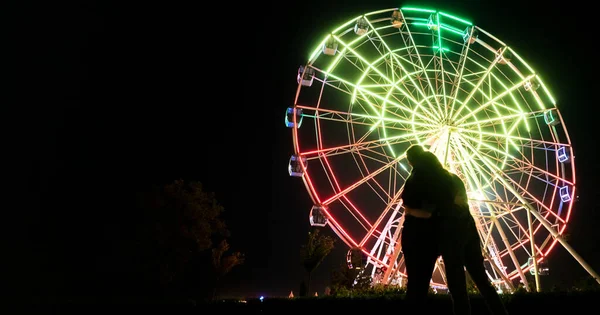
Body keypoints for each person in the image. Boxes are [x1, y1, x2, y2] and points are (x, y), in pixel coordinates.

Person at [436, 167, 510, 315]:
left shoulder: (442, 184)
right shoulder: (456, 181)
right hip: (469, 236)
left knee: (458, 287)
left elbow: (441, 210)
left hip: (454, 240)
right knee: (483, 283)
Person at [400, 145, 455, 308]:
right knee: (423, 280)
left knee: (414, 282)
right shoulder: (445, 177)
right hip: (435, 235)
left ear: (412, 161)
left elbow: (409, 203)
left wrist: (413, 211)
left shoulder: (417, 177)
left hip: (416, 233)